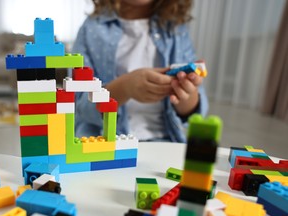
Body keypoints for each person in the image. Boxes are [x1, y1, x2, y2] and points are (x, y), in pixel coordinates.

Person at [72, 0, 208, 143]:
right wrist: (125, 87)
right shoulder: (91, 29)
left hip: (165, 141)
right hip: (103, 140)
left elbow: (194, 113)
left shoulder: (176, 29)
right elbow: (81, 106)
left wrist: (186, 92)